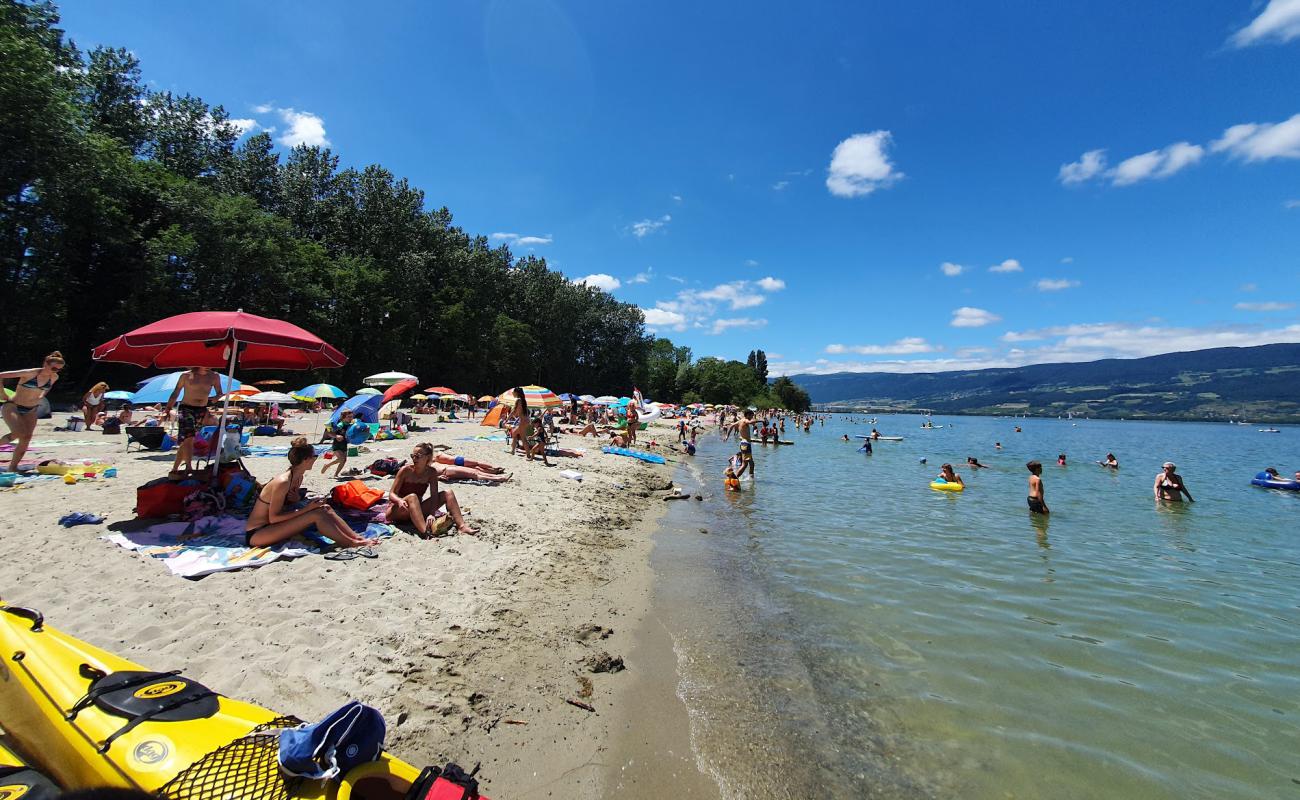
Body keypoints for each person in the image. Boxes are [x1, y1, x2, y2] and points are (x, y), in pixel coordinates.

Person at [244, 438, 379, 549]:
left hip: (272, 527)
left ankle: (356, 537)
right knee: (316, 514)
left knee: (325, 508)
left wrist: (296, 500)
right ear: (305, 460)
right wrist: (308, 508)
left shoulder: (297, 477)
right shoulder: (283, 481)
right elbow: (274, 518)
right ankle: (350, 543)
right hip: (258, 532)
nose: (316, 458)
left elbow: (285, 506)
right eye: (314, 456)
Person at [386, 442, 478, 536]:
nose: (414, 459)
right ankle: (425, 532)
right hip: (399, 510)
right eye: (412, 456)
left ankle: (462, 527)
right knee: (412, 497)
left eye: (417, 456)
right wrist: (399, 501)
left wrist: (432, 514)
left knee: (448, 493)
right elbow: (392, 494)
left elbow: (434, 496)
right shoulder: (405, 470)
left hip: (416, 510)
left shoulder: (431, 473)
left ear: (427, 457)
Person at [1, 351, 64, 473]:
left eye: (59, 369)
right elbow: (1, 375)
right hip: (13, 405)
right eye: (54, 368)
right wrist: (2, 394)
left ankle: (13, 467)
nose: (55, 371)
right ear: (45, 363)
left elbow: (48, 388)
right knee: (18, 433)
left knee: (26, 437)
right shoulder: (30, 373)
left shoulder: (54, 377)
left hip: (31, 409)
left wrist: (41, 395)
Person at [163, 367, 223, 476]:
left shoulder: (214, 376)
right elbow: (176, 392)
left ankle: (175, 468)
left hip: (201, 409)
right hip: (186, 408)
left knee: (188, 439)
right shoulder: (186, 375)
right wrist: (168, 408)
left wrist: (216, 398)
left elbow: (220, 392)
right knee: (189, 438)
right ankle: (189, 467)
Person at [321, 410, 357, 478]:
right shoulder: (340, 425)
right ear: (343, 418)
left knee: (343, 460)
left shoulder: (350, 425)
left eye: (352, 417)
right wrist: (336, 436)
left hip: (344, 444)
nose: (351, 418)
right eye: (348, 417)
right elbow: (329, 433)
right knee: (342, 459)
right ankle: (334, 474)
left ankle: (329, 467)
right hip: (337, 445)